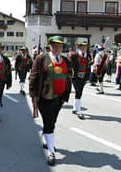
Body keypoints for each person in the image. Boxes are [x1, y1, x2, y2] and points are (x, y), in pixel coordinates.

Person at [29, 36, 72, 166]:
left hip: (59, 99)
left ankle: (46, 140)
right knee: (49, 123)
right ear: (50, 46)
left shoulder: (66, 60)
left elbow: (68, 78)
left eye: (59, 46)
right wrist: (33, 95)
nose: (57, 48)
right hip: (45, 98)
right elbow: (33, 77)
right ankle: (51, 152)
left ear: (62, 47)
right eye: (54, 45)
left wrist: (66, 96)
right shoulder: (41, 58)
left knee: (52, 121)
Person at [70, 41, 91, 120]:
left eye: (85, 47)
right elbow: (71, 66)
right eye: (82, 47)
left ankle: (74, 108)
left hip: (84, 77)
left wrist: (87, 78)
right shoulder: (74, 55)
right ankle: (79, 111)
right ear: (79, 47)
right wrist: (71, 76)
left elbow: (88, 67)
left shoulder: (88, 56)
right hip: (75, 77)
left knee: (79, 93)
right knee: (78, 92)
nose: (84, 48)